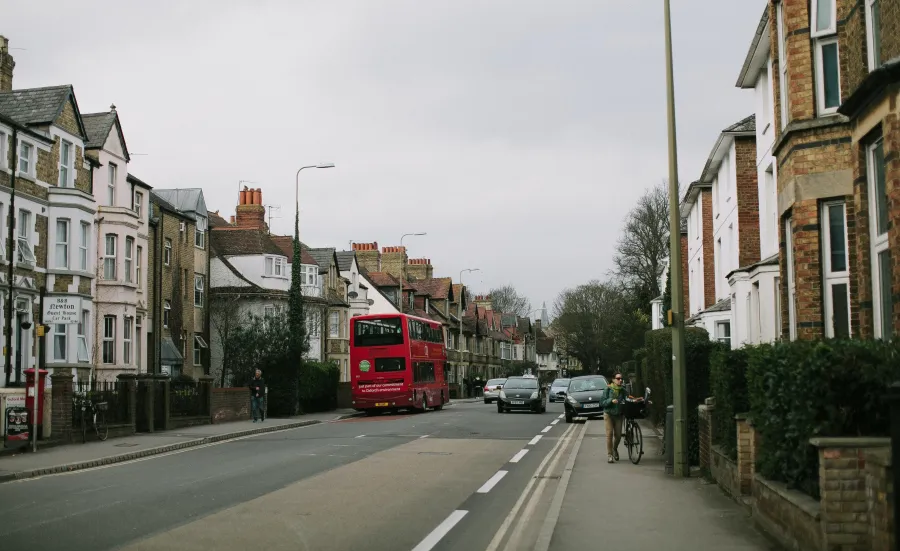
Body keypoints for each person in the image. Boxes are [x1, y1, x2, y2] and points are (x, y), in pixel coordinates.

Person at [601, 372, 626, 463]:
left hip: (618, 415)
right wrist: (611, 400)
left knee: (618, 436)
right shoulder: (608, 389)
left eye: (621, 378)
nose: (620, 380)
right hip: (608, 414)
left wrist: (637, 399)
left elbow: (628, 398)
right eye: (618, 378)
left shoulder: (622, 390)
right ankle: (610, 455)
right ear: (613, 380)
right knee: (609, 434)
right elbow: (602, 402)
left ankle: (615, 449)